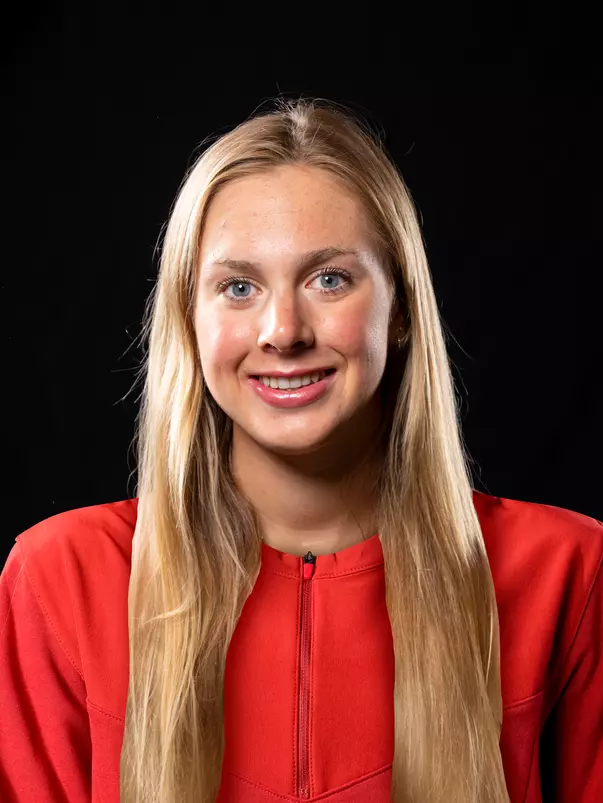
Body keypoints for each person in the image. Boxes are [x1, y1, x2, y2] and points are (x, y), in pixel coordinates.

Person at [1, 98, 602, 803]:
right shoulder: (62, 580)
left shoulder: (563, 572)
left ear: (401, 308)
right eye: (238, 286)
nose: (282, 331)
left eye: (329, 279)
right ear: (188, 321)